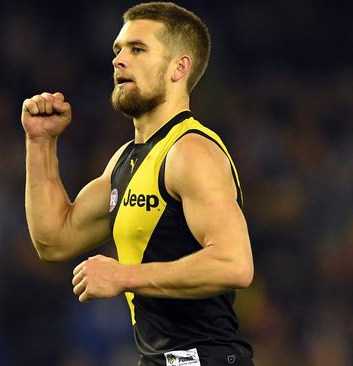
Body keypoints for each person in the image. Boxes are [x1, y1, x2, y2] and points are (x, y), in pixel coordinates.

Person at [21, 2, 254, 365]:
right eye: (118, 49)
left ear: (180, 67)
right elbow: (54, 240)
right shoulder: (126, 160)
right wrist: (40, 144)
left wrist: (123, 275)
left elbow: (234, 263)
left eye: (138, 49)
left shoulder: (190, 151)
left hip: (201, 359)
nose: (118, 60)